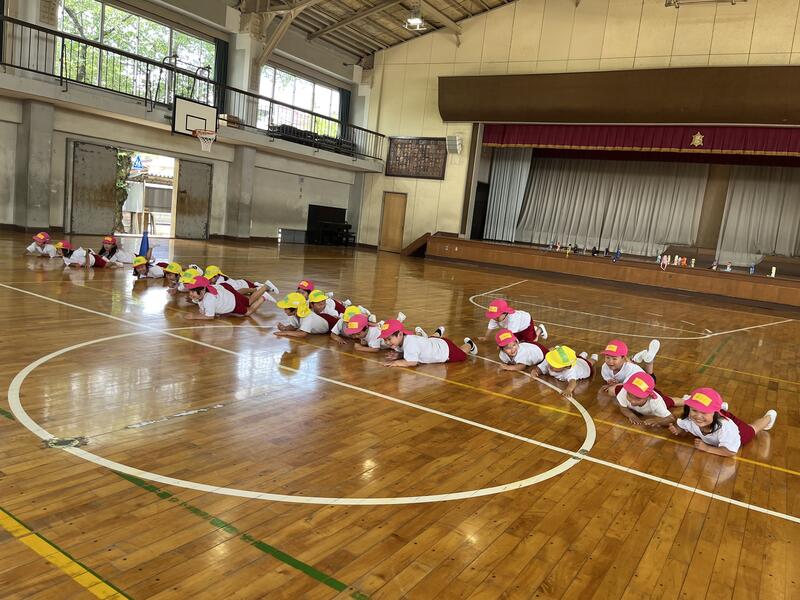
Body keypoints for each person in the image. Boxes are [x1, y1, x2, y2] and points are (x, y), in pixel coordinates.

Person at [668, 387, 777, 456]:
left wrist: (707, 448)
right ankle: (718, 406)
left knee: (752, 429)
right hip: (715, 418)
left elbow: (730, 452)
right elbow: (683, 426)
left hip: (735, 430)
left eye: (704, 412)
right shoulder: (690, 418)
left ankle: (769, 418)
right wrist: (678, 430)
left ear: (715, 413)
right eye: (694, 410)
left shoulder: (726, 428)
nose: (698, 416)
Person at [380, 319, 477, 368]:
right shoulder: (402, 340)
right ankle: (438, 332)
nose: (387, 342)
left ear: (400, 334)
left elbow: (412, 362)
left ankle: (470, 344)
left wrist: (397, 362)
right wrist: (399, 355)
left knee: (462, 354)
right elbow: (412, 352)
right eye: (385, 339)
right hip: (434, 342)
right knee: (429, 340)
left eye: (389, 339)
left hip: (446, 350)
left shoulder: (410, 344)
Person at [614, 372, 686, 427]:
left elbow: (671, 418)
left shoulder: (656, 403)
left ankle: (686, 399)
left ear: (648, 397)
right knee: (612, 391)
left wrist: (658, 421)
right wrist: (631, 415)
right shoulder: (624, 391)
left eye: (638, 398)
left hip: (659, 400)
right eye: (629, 396)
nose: (632, 401)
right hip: (647, 398)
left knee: (670, 401)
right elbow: (622, 407)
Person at [183, 276, 270, 320]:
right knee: (247, 301)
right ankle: (264, 287)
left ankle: (264, 296)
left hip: (231, 301)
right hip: (225, 289)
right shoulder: (204, 292)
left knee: (248, 311)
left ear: (203, 290)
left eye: (193, 292)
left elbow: (210, 317)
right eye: (190, 291)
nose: (190, 294)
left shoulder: (208, 299)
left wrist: (194, 316)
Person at [479, 299, 547, 344]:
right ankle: (534, 330)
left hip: (525, 324)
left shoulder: (513, 319)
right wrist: (486, 337)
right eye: (493, 316)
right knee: (520, 341)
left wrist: (504, 346)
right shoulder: (495, 318)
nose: (494, 318)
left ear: (505, 313)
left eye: (497, 316)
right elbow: (490, 327)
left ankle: (540, 329)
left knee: (532, 342)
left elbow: (511, 336)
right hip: (517, 328)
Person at [204, 265, 279, 298]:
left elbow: (242, 291)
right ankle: (258, 285)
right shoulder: (219, 280)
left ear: (217, 275)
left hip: (245, 285)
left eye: (210, 278)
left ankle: (266, 286)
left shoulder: (222, 283)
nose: (209, 280)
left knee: (260, 292)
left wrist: (254, 289)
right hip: (242, 283)